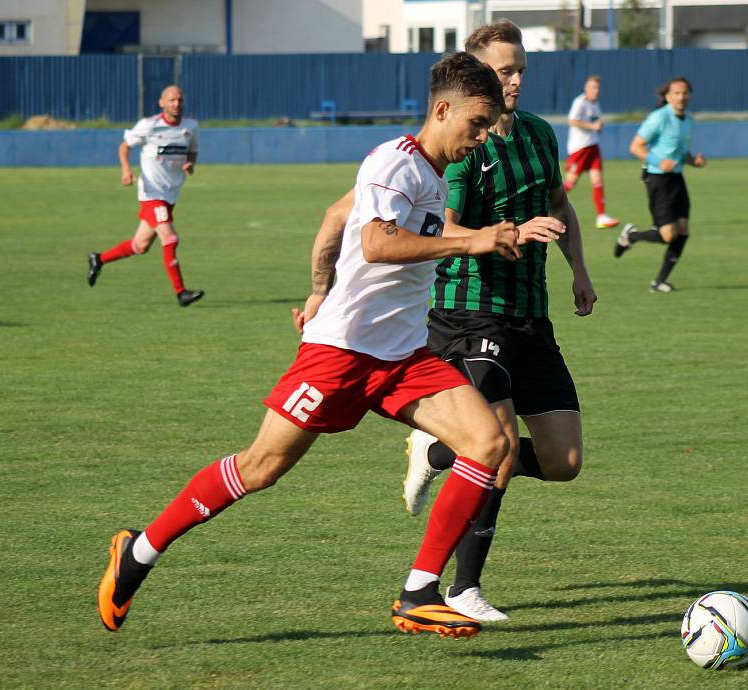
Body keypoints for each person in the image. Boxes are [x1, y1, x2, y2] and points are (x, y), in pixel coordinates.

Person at [97, 52, 524, 640]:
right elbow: (376, 244)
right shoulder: (393, 163)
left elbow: (334, 223)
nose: (480, 138)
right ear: (442, 109)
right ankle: (139, 551)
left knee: (491, 442)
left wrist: (319, 288)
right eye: (475, 124)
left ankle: (419, 591)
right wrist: (472, 242)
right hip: (342, 353)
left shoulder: (428, 175)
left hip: (401, 356)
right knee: (261, 467)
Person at [298, 21, 597, 623]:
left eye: (519, 71)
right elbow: (440, 227)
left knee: (564, 461)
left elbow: (558, 205)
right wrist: (494, 238)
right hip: (468, 310)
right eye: (502, 71)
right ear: (476, 77)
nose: (512, 81)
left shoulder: (538, 134)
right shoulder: (463, 146)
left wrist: (579, 270)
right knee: (498, 448)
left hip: (530, 312)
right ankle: (461, 589)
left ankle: (436, 453)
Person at [86, 85, 204, 307]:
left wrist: (191, 163)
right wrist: (125, 170)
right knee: (170, 238)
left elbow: (193, 150)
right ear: (161, 103)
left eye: (179, 100)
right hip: (152, 193)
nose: (176, 104)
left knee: (140, 245)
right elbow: (124, 146)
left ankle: (99, 259)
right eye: (171, 100)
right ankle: (181, 293)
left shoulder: (190, 126)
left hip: (170, 195)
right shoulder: (149, 125)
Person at [615, 77, 706, 293]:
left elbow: (681, 152)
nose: (681, 97)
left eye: (685, 93)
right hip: (657, 179)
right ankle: (631, 236)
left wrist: (695, 162)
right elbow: (635, 146)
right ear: (668, 96)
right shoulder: (659, 117)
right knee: (668, 235)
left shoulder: (689, 120)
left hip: (676, 178)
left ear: (690, 96)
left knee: (683, 231)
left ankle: (659, 281)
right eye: (676, 93)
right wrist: (658, 161)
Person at [564, 75, 619, 229]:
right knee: (570, 183)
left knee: (598, 181)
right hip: (580, 148)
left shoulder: (595, 104)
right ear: (586, 89)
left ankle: (601, 216)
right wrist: (593, 127)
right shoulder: (580, 102)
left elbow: (594, 123)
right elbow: (572, 120)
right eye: (593, 88)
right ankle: (544, 204)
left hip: (593, 147)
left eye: (598, 88)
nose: (596, 91)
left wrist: (597, 128)